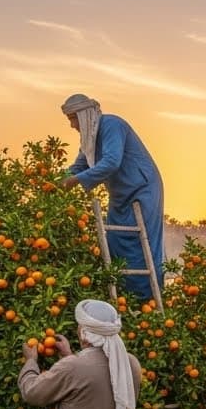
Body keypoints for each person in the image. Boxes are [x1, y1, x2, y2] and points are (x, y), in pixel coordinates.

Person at [60, 93, 166, 300]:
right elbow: (78, 167)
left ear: (83, 115)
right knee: (116, 243)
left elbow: (111, 162)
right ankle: (124, 298)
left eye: (73, 119)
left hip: (142, 189)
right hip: (119, 195)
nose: (72, 125)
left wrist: (74, 181)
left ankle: (147, 302)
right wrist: (57, 180)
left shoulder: (111, 125)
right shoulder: (89, 140)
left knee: (140, 245)